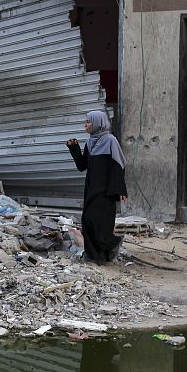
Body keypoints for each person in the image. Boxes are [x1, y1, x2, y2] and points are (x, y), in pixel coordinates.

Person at [67, 110, 127, 264]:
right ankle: (93, 255)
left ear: (98, 123)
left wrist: (120, 190)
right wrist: (74, 149)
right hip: (91, 189)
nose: (85, 125)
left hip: (106, 191)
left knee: (101, 224)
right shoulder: (90, 142)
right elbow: (82, 165)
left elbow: (119, 165)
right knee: (87, 220)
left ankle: (112, 244)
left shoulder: (110, 140)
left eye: (88, 122)